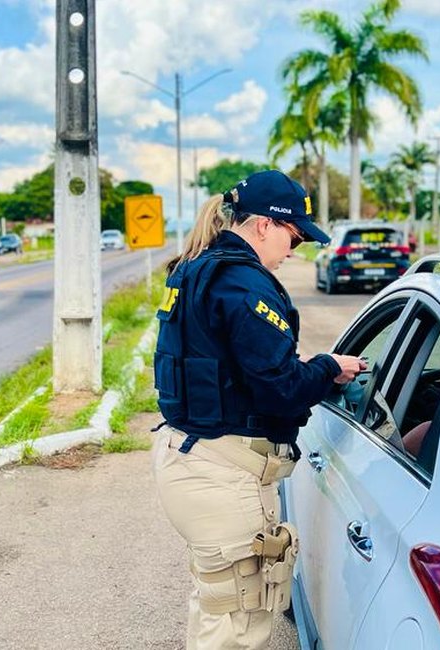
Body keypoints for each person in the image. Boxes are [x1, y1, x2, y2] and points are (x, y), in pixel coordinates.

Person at [151, 169, 366, 649]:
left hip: (192, 456)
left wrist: (305, 366)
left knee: (218, 609)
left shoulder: (197, 267)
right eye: (294, 236)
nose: (296, 250)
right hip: (221, 472)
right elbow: (280, 390)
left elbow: (230, 364)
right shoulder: (245, 284)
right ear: (265, 225)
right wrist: (328, 366)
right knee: (239, 622)